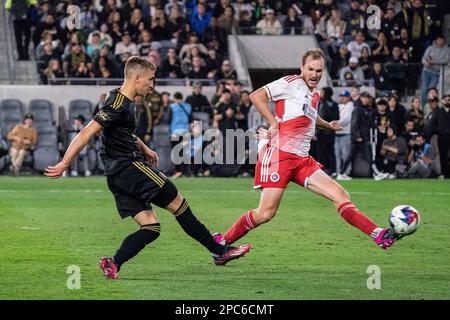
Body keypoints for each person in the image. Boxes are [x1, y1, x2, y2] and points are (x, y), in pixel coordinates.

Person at [45, 57, 251, 279]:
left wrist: (144, 148)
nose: (152, 85)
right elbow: (87, 131)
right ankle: (219, 251)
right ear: (137, 78)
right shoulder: (116, 104)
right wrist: (65, 163)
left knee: (151, 228)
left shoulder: (121, 96)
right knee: (179, 204)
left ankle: (113, 262)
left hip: (117, 176)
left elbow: (124, 132)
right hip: (130, 169)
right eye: (150, 79)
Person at [213, 49, 404, 254]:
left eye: (318, 70)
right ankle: (221, 243)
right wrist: (273, 122)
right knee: (266, 213)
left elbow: (311, 118)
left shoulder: (314, 94)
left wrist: (328, 125)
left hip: (302, 159)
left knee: (341, 194)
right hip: (279, 155)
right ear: (302, 67)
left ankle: (378, 235)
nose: (314, 74)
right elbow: (256, 96)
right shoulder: (291, 82)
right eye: (310, 69)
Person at [335, 90, 353, 180]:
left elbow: (346, 119)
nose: (342, 97)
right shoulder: (339, 106)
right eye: (341, 96)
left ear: (348, 97)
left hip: (346, 132)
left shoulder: (351, 106)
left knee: (346, 154)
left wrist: (336, 124)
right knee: (337, 154)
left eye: (344, 96)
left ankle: (346, 172)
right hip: (337, 132)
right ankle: (339, 172)